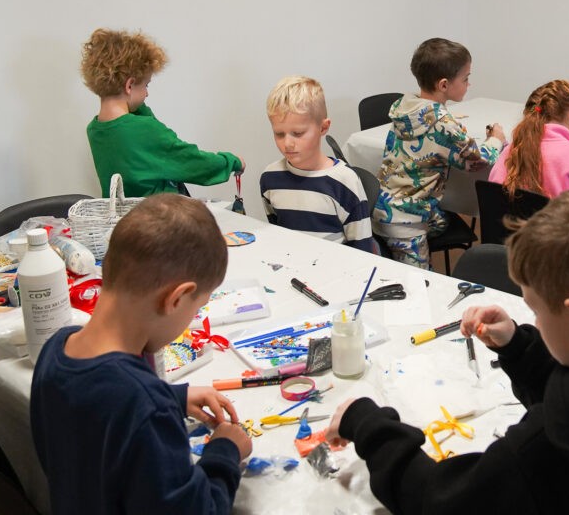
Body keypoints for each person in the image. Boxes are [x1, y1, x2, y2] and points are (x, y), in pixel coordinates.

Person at [327, 186, 569, 513]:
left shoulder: (545, 449)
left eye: (537, 312)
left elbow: (434, 499)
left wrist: (367, 423)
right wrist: (518, 346)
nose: (536, 323)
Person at [30, 194, 253, 513]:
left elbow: (97, 405)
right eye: (197, 308)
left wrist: (173, 398)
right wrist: (224, 453)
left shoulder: (56, 349)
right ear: (177, 299)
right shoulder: (146, 407)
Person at [372, 38, 507, 268]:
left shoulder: (404, 109)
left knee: (442, 221)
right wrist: (496, 139)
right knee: (419, 280)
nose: (469, 84)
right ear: (444, 85)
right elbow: (478, 161)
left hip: (382, 206)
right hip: (406, 223)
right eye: (465, 79)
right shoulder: (442, 124)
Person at [82, 28, 245, 197]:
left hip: (124, 214)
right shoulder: (144, 129)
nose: (147, 94)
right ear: (129, 85)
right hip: (159, 211)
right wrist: (232, 162)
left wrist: (137, 105)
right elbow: (192, 162)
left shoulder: (94, 130)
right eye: (146, 85)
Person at [260, 75, 377, 253]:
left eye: (298, 133)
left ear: (323, 128)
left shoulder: (345, 181)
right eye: (279, 134)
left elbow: (362, 247)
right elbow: (278, 229)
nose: (288, 144)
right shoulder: (270, 178)